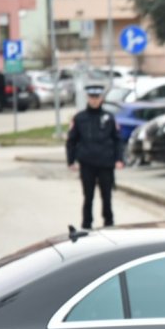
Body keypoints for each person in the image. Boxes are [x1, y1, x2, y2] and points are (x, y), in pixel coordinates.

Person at [66, 84, 124, 230]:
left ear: (101, 98)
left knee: (107, 196)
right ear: (87, 98)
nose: (94, 100)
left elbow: (117, 140)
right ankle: (87, 225)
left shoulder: (109, 117)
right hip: (87, 163)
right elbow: (71, 141)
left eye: (97, 97)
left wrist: (119, 159)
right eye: (92, 97)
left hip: (106, 163)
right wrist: (71, 161)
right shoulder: (79, 118)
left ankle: (109, 223)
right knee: (88, 196)